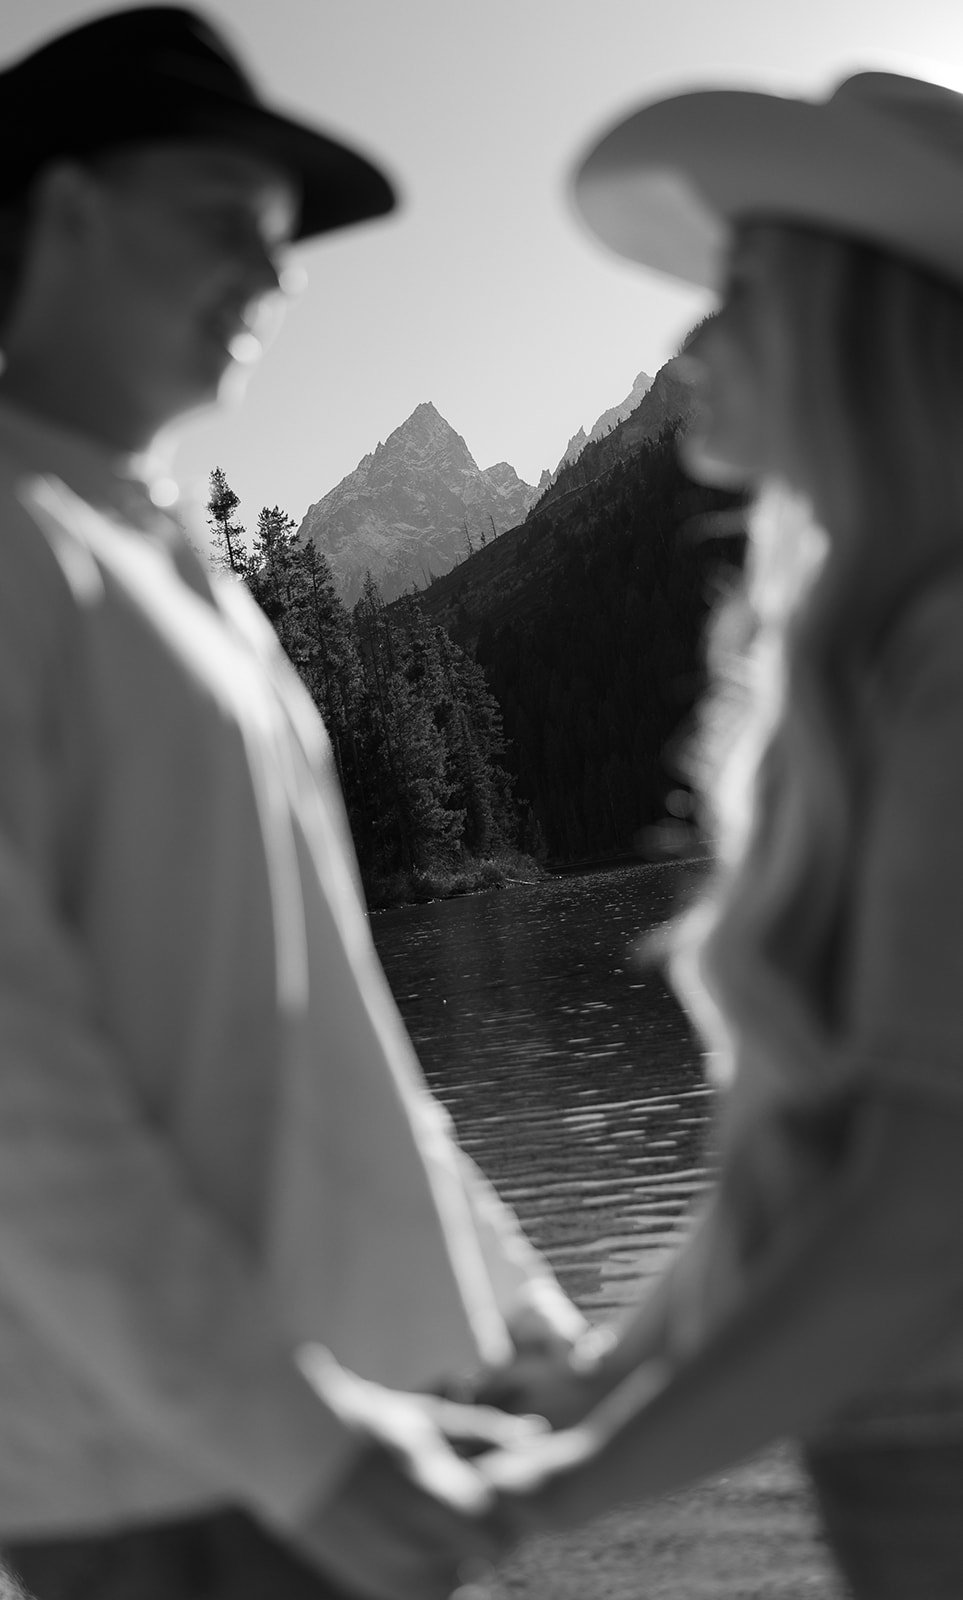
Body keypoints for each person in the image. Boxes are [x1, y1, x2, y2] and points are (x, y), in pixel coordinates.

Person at [0, 10, 588, 1600]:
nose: (274, 282)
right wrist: (303, 1446)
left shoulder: (172, 557)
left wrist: (524, 1320)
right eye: (227, 222)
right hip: (167, 1456)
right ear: (68, 212)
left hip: (320, 1411)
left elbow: (328, 1023)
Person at [477, 66, 963, 1600]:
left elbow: (918, 1211)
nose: (686, 340)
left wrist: (557, 1491)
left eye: (740, 291)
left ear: (858, 321)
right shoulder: (873, 655)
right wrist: (601, 1383)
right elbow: (798, 1170)